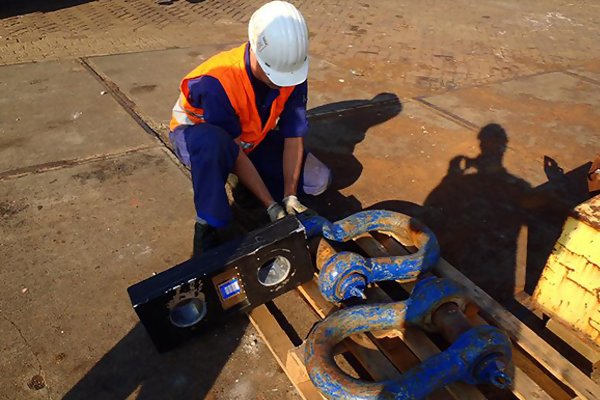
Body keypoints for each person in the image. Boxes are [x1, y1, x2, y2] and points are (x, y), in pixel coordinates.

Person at [168, 1, 331, 255]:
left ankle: (249, 185)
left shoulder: (291, 70)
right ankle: (210, 225)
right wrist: (270, 205)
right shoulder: (217, 81)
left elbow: (293, 135)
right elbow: (233, 149)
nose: (281, 84)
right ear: (256, 50)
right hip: (200, 139)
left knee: (316, 181)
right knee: (214, 147)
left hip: (250, 139)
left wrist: (289, 195)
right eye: (274, 76)